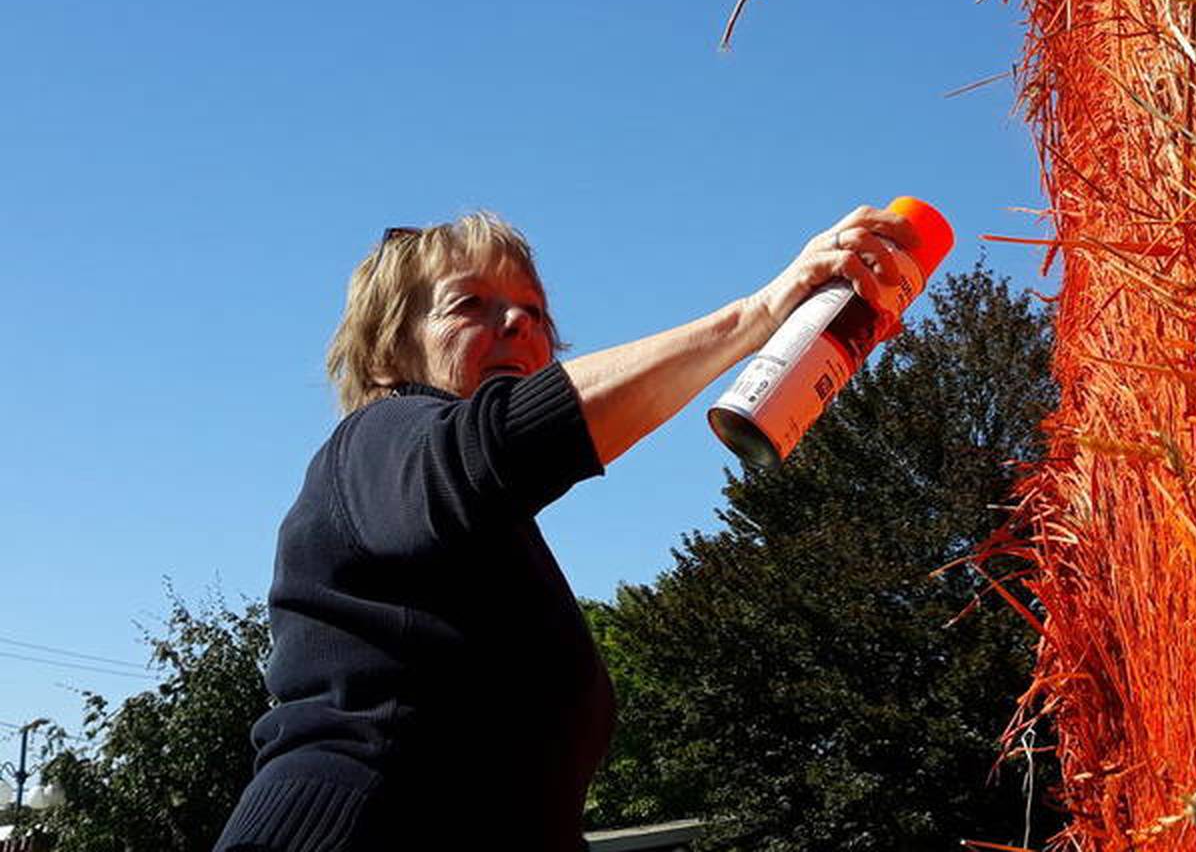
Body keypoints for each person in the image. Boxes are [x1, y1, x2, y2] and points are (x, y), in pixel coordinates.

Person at [214, 205, 918, 851]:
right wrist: (756, 316)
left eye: (535, 312)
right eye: (470, 305)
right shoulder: (377, 438)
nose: (520, 323)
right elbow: (507, 443)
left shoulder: (486, 540)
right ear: (385, 354)